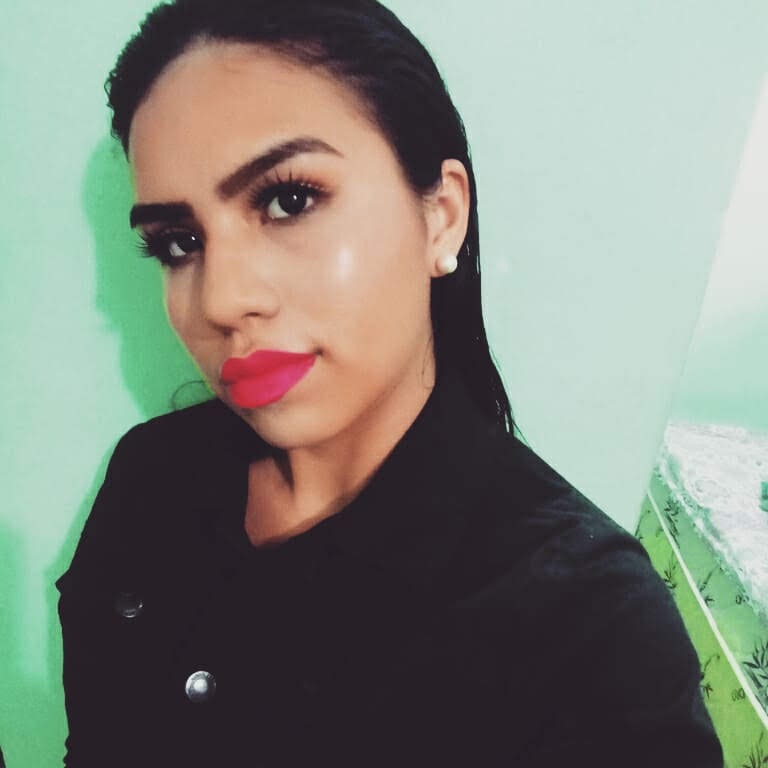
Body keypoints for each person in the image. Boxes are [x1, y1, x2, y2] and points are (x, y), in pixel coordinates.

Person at [56, 0, 724, 765]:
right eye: (179, 244)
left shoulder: (591, 633)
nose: (221, 300)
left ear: (441, 216)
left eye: (288, 200)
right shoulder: (152, 477)